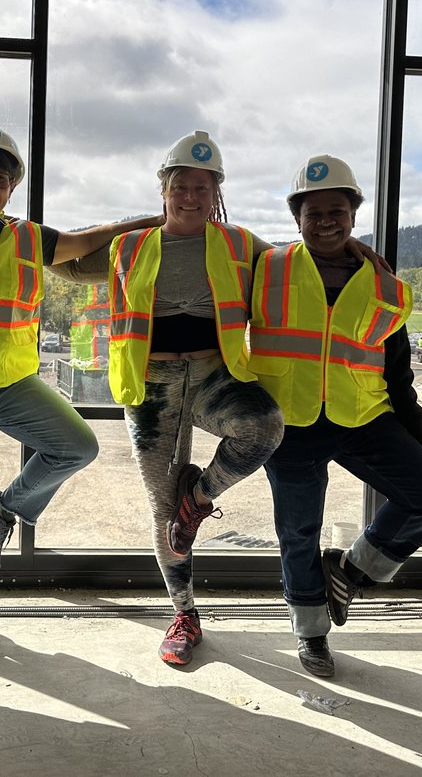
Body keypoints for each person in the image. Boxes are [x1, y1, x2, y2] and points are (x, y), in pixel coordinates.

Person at [0, 128, 164, 662]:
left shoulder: (29, 238)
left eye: (2, 176)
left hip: (6, 379)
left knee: (77, 445)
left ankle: (2, 510)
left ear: (12, 186)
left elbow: (95, 237)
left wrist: (162, 219)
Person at [250, 154, 422, 679]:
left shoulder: (386, 286)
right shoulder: (264, 267)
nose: (325, 220)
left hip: (364, 415)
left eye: (336, 209)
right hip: (290, 423)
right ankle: (311, 635)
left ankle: (353, 570)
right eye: (313, 211)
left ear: (354, 213)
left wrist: (418, 431)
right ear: (297, 216)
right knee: (298, 533)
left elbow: (398, 369)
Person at [101, 130, 286, 666]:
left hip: (212, 374)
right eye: (181, 185)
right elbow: (66, 260)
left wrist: (357, 247)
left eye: (202, 188)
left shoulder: (239, 243)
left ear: (216, 192)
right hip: (152, 383)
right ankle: (183, 613)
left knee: (263, 426)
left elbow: (295, 270)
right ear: (164, 189)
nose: (191, 197)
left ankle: (199, 500)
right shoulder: (129, 247)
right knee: (160, 512)